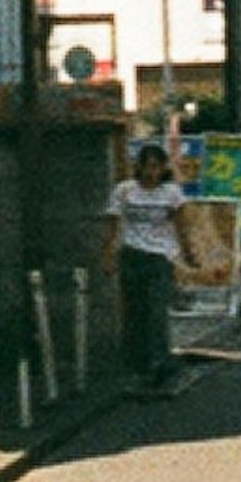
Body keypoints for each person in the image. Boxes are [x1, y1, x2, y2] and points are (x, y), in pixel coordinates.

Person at [104, 142, 185, 394]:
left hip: (161, 256)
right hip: (132, 254)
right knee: (134, 312)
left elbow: (182, 225)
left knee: (156, 312)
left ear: (163, 168)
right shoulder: (125, 191)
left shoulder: (171, 193)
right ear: (137, 166)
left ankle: (158, 364)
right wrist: (108, 253)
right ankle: (135, 366)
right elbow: (113, 223)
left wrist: (188, 255)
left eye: (156, 167)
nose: (151, 172)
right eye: (146, 166)